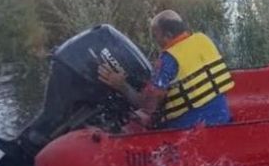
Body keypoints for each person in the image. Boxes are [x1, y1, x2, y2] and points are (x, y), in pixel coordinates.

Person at [98, 10, 234, 129]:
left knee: (136, 121)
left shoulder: (168, 60)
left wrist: (122, 86)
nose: (155, 41)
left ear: (168, 35)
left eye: (156, 36)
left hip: (190, 130)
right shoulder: (203, 40)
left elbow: (148, 106)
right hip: (222, 120)